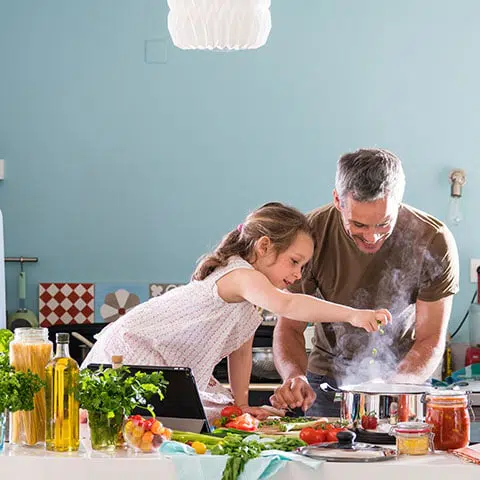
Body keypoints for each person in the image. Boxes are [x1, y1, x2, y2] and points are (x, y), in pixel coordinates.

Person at [81, 202, 391, 422]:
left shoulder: (250, 299)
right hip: (132, 350)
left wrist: (241, 404)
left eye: (303, 266)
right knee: (145, 426)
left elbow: (240, 352)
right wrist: (354, 315)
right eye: (294, 262)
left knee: (216, 414)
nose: (298, 274)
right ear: (264, 246)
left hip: (159, 362)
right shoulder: (241, 275)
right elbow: (288, 304)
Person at [270, 148, 460, 417]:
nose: (371, 237)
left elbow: (430, 338)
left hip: (404, 380)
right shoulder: (310, 234)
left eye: (384, 224)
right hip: (326, 382)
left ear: (399, 201)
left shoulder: (433, 239)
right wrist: (294, 376)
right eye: (358, 225)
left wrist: (394, 387)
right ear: (338, 200)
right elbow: (289, 326)